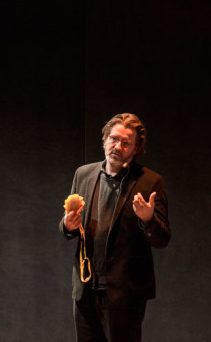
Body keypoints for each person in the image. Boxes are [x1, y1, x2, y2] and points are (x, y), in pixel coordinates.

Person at [61, 113, 171, 341]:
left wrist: (148, 218)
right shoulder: (83, 174)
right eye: (113, 139)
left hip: (125, 294)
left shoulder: (150, 182)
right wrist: (67, 225)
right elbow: (69, 225)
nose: (117, 146)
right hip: (85, 290)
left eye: (126, 143)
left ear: (136, 148)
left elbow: (162, 239)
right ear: (104, 139)